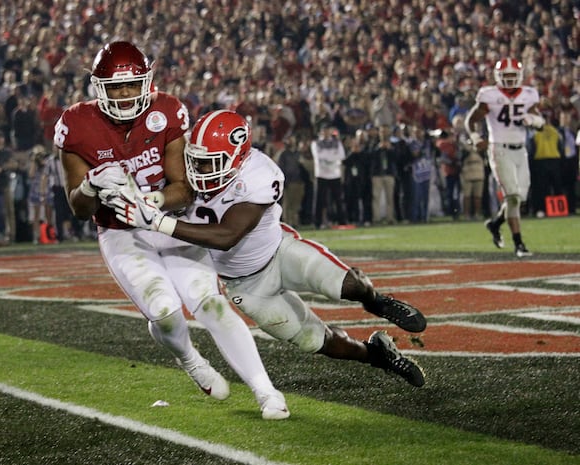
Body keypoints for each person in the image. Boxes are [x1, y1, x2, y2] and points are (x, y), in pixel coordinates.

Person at [54, 41, 289, 420]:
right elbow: (79, 208)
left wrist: (154, 203)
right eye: (116, 87)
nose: (126, 94)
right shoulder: (77, 124)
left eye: (132, 85)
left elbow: (183, 186)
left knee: (211, 303)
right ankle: (190, 358)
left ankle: (266, 391)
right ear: (99, 88)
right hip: (121, 233)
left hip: (171, 225)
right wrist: (91, 185)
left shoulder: (167, 110)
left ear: (147, 82)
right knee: (164, 311)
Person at [112, 110, 427, 391]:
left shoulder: (260, 173)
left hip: (280, 253)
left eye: (211, 161)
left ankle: (378, 303)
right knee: (312, 340)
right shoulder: (191, 171)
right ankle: (378, 355)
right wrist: (149, 200)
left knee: (350, 284)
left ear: (239, 157)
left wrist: (160, 223)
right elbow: (166, 193)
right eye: (197, 159)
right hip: (243, 285)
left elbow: (228, 235)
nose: (201, 168)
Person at [464, 58, 545, 258]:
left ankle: (495, 223)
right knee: (513, 196)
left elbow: (541, 122)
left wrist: (533, 120)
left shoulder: (528, 94)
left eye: (512, 76)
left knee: (519, 198)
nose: (509, 79)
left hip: (521, 150)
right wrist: (475, 136)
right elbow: (471, 120)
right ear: (498, 77)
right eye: (505, 76)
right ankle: (519, 244)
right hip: (499, 149)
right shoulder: (489, 95)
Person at [310, 125, 347, 229]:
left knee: (339, 199)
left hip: (335, 174)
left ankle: (341, 221)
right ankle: (317, 222)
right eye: (324, 131)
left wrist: (328, 157)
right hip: (321, 174)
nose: (326, 133)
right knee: (319, 200)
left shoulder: (337, 143)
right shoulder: (316, 143)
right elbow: (318, 156)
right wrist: (332, 157)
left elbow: (341, 155)